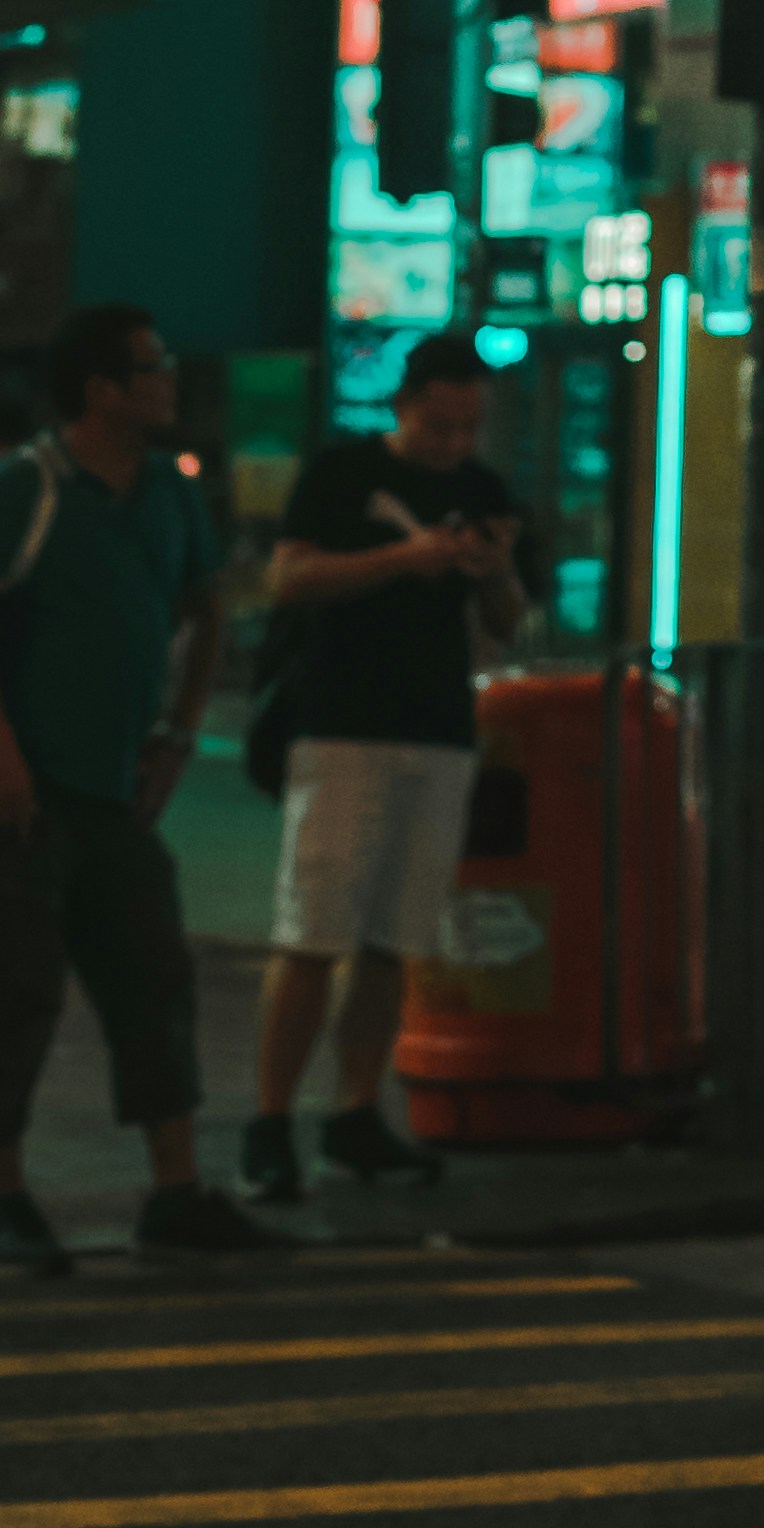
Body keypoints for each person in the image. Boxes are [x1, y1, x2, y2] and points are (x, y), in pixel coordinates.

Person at [0, 299, 273, 1267]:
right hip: (20, 790)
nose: (169, 381)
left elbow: (207, 607)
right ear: (100, 389)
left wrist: (176, 733)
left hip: (114, 789)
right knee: (20, 987)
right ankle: (5, 1196)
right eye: (151, 367)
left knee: (152, 975)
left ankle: (174, 1188)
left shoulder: (167, 490)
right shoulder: (27, 484)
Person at [242, 330, 531, 1202]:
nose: (453, 444)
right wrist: (402, 558)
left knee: (392, 940)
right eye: (439, 425)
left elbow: (508, 619)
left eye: (469, 427)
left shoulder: (483, 490)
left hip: (438, 728)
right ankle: (270, 1121)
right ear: (403, 405)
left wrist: (493, 570)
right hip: (342, 724)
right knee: (313, 931)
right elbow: (288, 579)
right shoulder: (342, 473)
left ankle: (356, 1111)